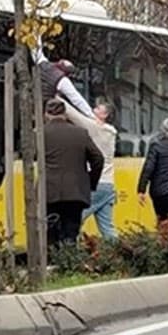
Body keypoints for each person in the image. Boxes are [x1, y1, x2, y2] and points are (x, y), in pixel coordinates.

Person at [42, 98, 104, 246]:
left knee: (51, 231)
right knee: (71, 231)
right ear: (65, 114)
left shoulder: (40, 133)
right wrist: (91, 181)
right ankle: (69, 260)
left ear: (46, 114)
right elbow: (98, 158)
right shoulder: (80, 133)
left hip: (49, 191)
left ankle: (53, 260)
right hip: (75, 191)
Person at [69, 98, 119, 240]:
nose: (94, 109)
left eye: (98, 109)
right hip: (108, 185)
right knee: (107, 227)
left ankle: (71, 256)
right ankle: (120, 255)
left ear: (105, 115)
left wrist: (56, 96)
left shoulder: (98, 129)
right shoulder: (109, 133)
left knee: (75, 220)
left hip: (97, 184)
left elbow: (73, 115)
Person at [31, 44, 95, 118]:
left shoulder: (45, 65)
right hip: (43, 110)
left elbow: (35, 49)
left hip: (35, 104)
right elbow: (77, 99)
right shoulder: (59, 78)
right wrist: (91, 115)